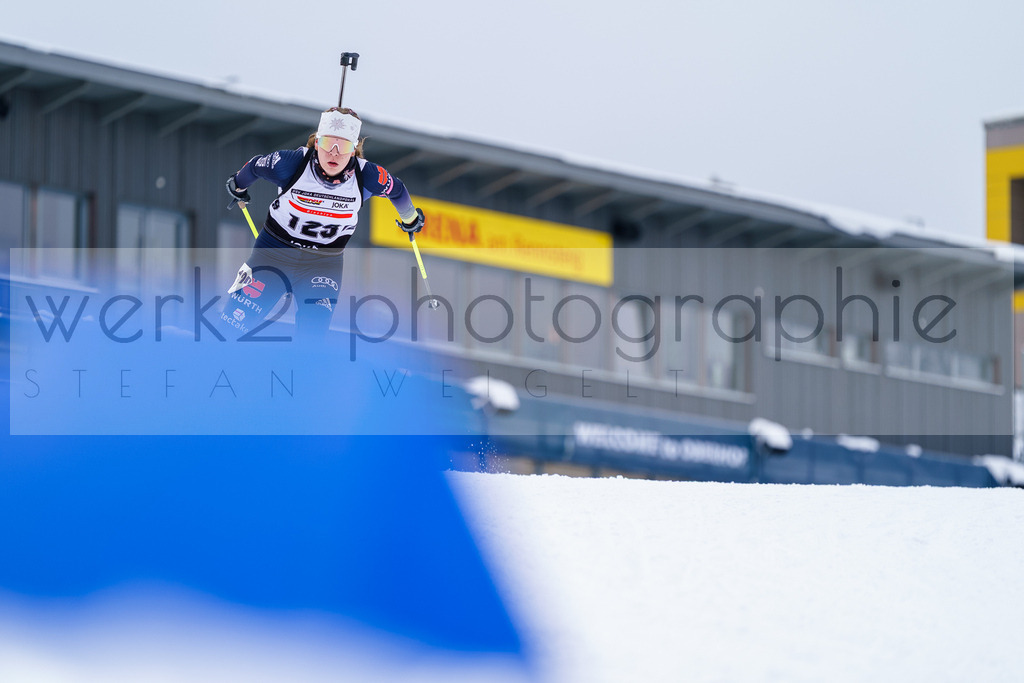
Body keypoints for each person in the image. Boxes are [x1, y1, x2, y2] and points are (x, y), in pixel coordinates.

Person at [220, 107, 424, 340]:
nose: (334, 153)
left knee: (312, 339)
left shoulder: (368, 175)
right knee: (232, 326)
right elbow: (256, 166)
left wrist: (410, 219)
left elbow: (397, 190)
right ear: (317, 143)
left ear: (354, 150)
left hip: (322, 264)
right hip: (273, 254)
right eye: (328, 143)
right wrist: (237, 185)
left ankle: (300, 376)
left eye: (344, 146)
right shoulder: (291, 163)